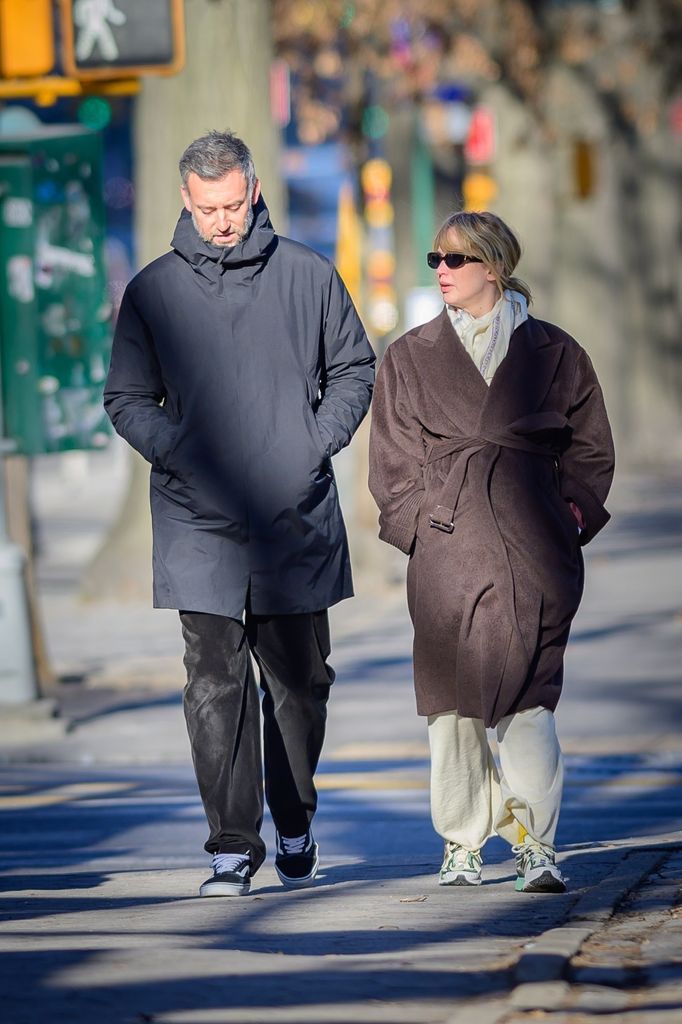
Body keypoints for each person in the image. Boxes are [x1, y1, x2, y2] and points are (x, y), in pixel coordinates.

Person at [104, 130, 375, 897]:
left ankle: (293, 820)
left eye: (232, 205)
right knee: (213, 687)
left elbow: (355, 366)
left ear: (254, 191)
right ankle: (231, 845)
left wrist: (312, 444)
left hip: (295, 516)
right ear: (185, 201)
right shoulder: (154, 291)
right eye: (207, 208)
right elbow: (125, 398)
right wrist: (180, 450)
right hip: (200, 523)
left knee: (301, 684)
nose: (222, 220)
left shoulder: (307, 275)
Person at [368, 211, 614, 893]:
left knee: (529, 696)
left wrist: (569, 514)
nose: (441, 272)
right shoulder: (410, 356)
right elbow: (390, 462)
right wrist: (418, 522)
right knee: (451, 704)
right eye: (435, 260)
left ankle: (537, 842)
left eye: (454, 260)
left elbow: (591, 450)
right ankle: (463, 842)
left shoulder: (557, 354)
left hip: (532, 544)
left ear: (495, 267)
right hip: (446, 548)